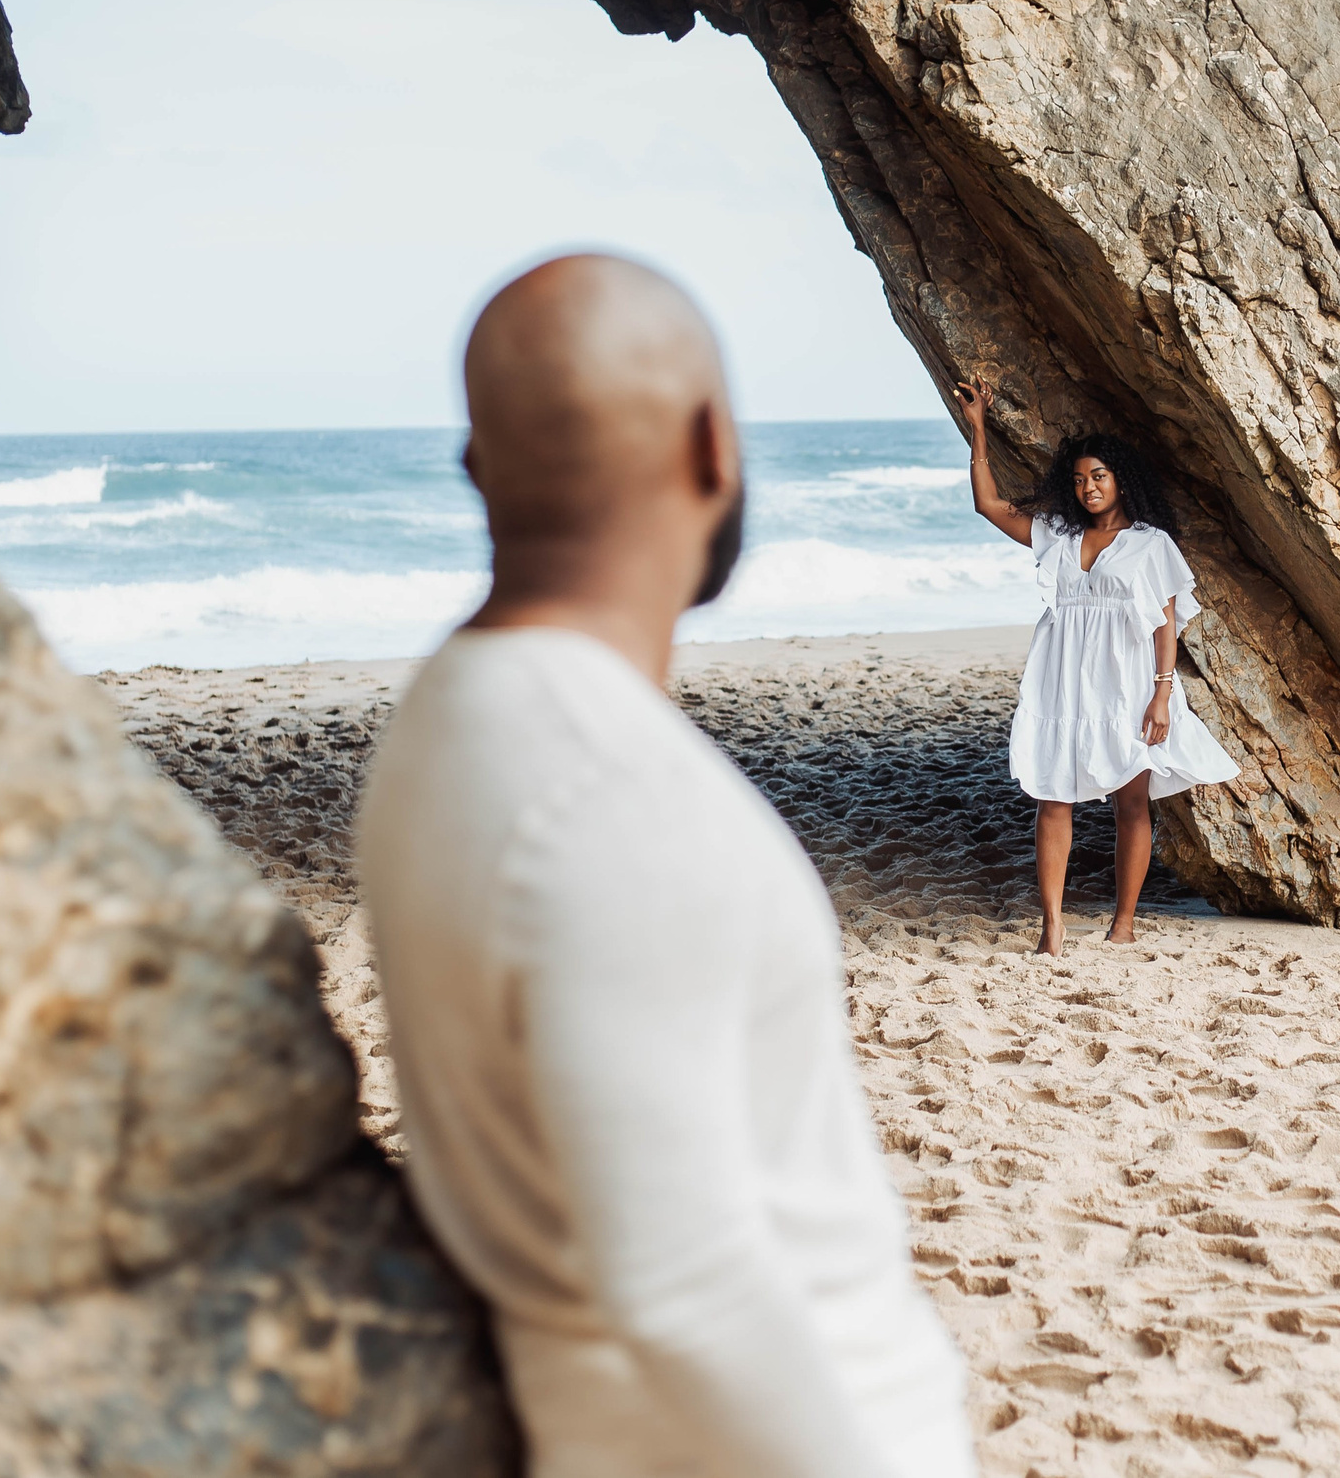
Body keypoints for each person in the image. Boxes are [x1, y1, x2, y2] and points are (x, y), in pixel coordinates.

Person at [355, 256, 973, 1478]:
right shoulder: (614, 797)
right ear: (712, 443)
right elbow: (686, 1290)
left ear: (478, 470)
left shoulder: (439, 724)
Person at [956, 380, 1240, 954]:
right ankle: (1052, 926)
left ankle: (1124, 923)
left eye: (1100, 478)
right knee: (1050, 796)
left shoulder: (1150, 545)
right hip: (1063, 682)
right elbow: (989, 505)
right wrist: (979, 429)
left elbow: (1166, 625)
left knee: (1131, 802)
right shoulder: (1057, 535)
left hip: (1128, 684)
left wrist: (1162, 694)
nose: (1088, 488)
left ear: (1120, 482)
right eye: (1081, 479)